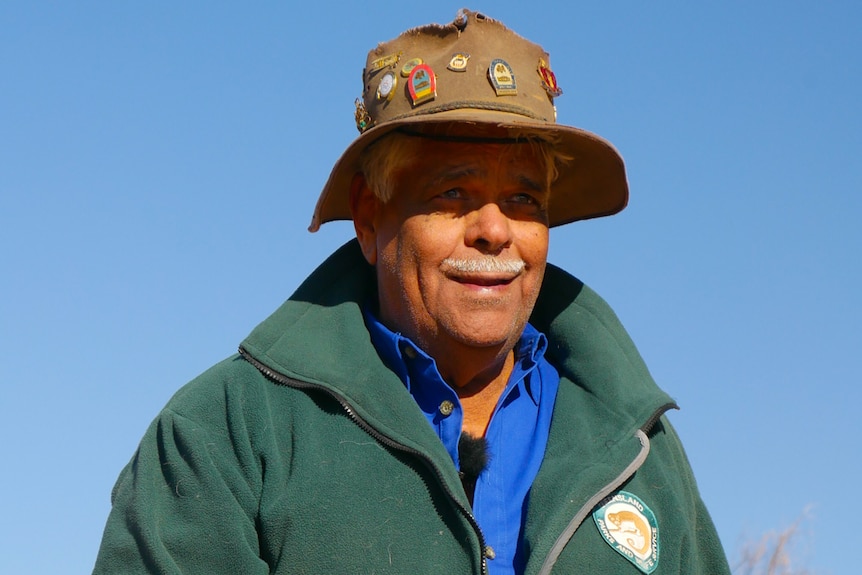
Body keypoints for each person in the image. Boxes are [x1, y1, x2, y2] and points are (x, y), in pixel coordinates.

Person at [93, 9, 731, 575]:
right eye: (451, 194)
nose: (493, 230)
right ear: (370, 219)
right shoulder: (228, 430)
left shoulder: (638, 450)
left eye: (523, 200)